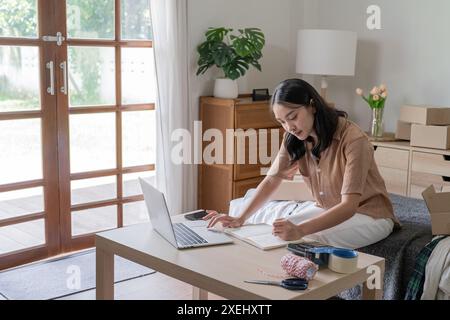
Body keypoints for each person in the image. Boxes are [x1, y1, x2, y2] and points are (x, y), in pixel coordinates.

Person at [205, 78, 400, 249]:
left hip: (369, 215)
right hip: (328, 208)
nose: (289, 127)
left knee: (306, 238)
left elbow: (349, 206)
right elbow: (272, 181)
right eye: (282, 122)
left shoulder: (354, 140)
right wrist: (241, 217)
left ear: (312, 106)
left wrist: (301, 230)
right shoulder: (294, 137)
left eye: (293, 117)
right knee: (273, 231)